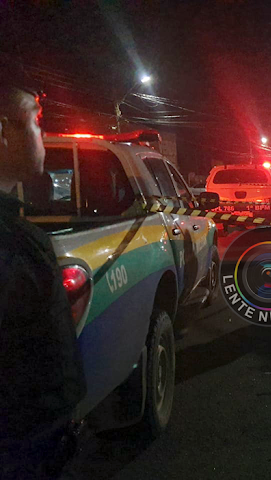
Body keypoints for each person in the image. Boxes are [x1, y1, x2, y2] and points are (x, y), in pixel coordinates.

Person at [0, 75, 86, 478]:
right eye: (36, 122)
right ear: (3, 132)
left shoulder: (16, 232)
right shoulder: (12, 244)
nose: (44, 135)